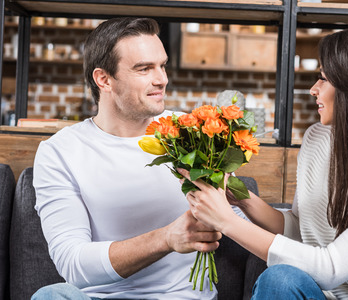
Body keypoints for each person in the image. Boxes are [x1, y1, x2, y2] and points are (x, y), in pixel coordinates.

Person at [180, 23, 348, 299]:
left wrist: (227, 221)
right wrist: (242, 199)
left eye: (324, 79)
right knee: (282, 280)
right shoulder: (316, 139)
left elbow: (330, 268)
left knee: (280, 278)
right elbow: (301, 231)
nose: (313, 89)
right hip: (323, 295)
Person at [31, 17, 221, 299]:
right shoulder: (60, 152)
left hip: (182, 297)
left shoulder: (189, 131)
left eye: (162, 65)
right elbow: (72, 263)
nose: (162, 79)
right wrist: (167, 238)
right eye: (144, 69)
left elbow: (236, 219)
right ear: (104, 79)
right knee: (52, 296)